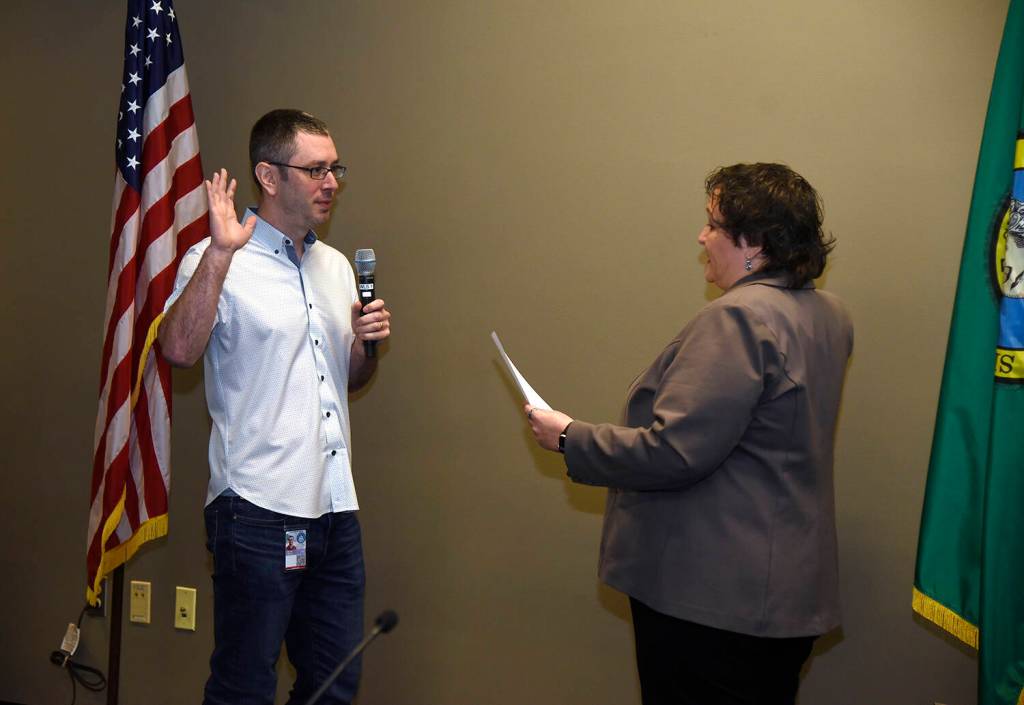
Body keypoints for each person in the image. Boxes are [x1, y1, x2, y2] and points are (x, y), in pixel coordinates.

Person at [525, 163, 852, 705]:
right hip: (785, 594)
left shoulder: (739, 318)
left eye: (713, 224)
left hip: (714, 601)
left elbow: (673, 451)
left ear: (752, 243)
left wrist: (569, 437)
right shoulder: (829, 315)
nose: (701, 237)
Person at [158, 109, 391, 705]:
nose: (331, 181)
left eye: (334, 167)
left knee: (334, 684)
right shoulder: (218, 261)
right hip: (258, 511)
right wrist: (218, 254)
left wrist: (367, 348)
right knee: (245, 686)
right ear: (268, 174)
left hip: (335, 507)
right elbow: (178, 351)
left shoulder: (335, 267)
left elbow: (349, 380)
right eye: (314, 169)